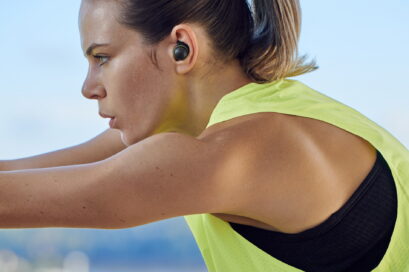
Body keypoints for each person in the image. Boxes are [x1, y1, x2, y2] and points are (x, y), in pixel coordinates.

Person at [0, 0, 408, 271]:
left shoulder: (238, 151)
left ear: (181, 48)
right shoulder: (224, 120)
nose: (89, 87)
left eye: (102, 58)